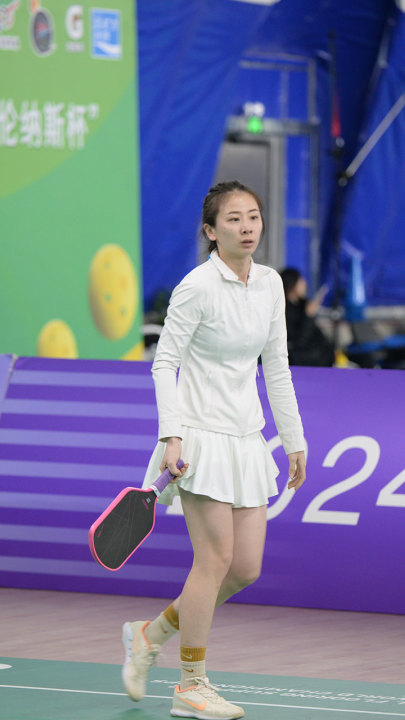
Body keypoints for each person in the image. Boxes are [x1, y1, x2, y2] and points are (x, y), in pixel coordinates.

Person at [122, 181, 306, 720]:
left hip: (247, 439)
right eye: (233, 219)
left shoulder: (270, 284)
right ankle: (190, 684)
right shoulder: (196, 287)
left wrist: (293, 438)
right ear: (211, 230)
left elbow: (276, 366)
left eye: (253, 217)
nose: (247, 227)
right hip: (199, 437)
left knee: (244, 568)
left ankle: (150, 635)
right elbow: (164, 362)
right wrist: (171, 435)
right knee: (214, 560)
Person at [280, 268, 335, 367]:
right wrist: (308, 316)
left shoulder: (302, 305)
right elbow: (299, 340)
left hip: (322, 356)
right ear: (292, 284)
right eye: (300, 281)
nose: (304, 284)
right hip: (304, 361)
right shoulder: (284, 310)